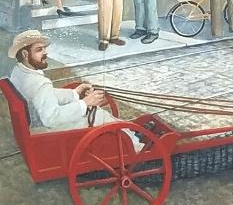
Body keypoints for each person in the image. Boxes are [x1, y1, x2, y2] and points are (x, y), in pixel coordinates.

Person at [8, 30, 143, 151]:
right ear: (25, 54)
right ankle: (136, 146)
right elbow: (52, 119)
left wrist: (74, 93)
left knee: (94, 112)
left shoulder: (19, 72)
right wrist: (85, 103)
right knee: (98, 116)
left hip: (33, 126)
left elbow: (45, 96)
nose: (45, 53)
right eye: (39, 50)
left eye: (44, 48)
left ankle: (130, 133)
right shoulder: (39, 83)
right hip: (46, 131)